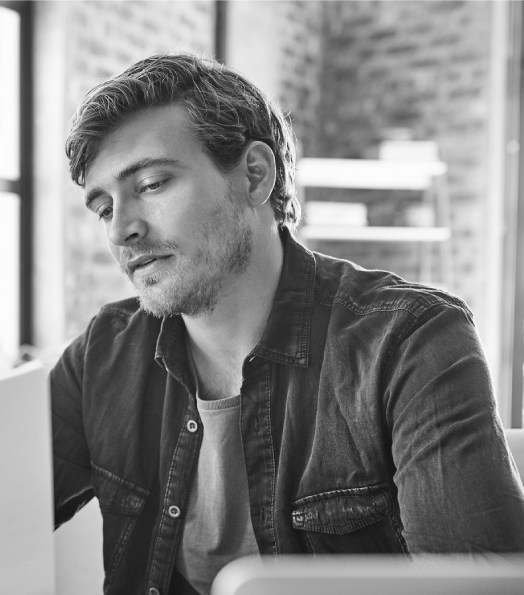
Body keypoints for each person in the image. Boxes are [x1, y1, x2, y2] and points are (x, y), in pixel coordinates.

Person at [51, 53, 524, 595]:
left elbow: (478, 588)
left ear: (255, 175)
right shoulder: (101, 356)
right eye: (105, 208)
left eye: (153, 184)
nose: (121, 232)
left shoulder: (409, 341)